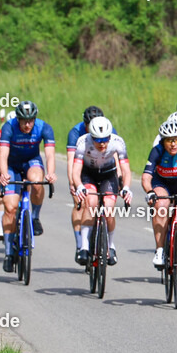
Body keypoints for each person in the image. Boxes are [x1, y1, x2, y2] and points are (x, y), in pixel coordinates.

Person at [0, 100, 56, 272]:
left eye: (30, 120)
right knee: (10, 208)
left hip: (31, 161)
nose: (27, 124)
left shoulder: (44, 127)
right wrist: (3, 173)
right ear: (18, 119)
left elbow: (50, 155)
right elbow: (3, 154)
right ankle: (8, 253)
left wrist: (50, 173)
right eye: (23, 121)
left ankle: (34, 217)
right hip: (12, 165)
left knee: (37, 181)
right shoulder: (9, 127)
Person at [72, 116, 133, 266]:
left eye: (105, 139)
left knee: (109, 208)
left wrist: (126, 187)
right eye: (98, 140)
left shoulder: (117, 142)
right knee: (91, 202)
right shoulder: (82, 142)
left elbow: (125, 170)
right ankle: (85, 247)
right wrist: (79, 185)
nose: (102, 143)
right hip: (88, 175)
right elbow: (75, 171)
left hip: (108, 174)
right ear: (91, 137)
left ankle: (110, 245)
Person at [142, 112, 177, 269]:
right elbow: (146, 177)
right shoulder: (157, 151)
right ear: (163, 141)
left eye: (176, 140)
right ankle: (159, 250)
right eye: (169, 141)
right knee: (161, 206)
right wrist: (150, 191)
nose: (173, 144)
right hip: (162, 183)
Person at [66, 106, 110, 263]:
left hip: (103, 169)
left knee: (107, 203)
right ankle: (80, 245)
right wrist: (73, 182)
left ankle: (106, 240)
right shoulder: (75, 132)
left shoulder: (108, 129)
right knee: (80, 202)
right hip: (82, 167)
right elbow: (71, 159)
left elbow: (117, 156)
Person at [0, 109, 16, 240]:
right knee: (3, 196)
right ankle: (1, 227)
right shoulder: (1, 134)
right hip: (5, 165)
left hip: (20, 164)